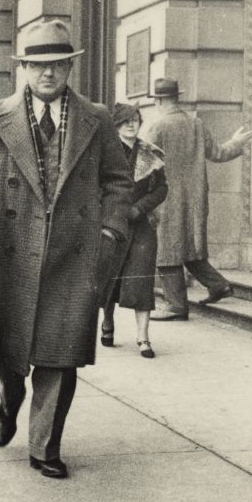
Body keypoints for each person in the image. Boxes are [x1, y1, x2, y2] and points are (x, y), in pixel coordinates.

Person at [0, 20, 133, 479]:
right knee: (10, 354)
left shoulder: (96, 119)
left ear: (69, 68)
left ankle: (44, 447)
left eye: (56, 65)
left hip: (73, 257)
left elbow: (119, 183)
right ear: (24, 69)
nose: (47, 75)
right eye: (38, 66)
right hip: (11, 255)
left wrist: (110, 233)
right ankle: (9, 398)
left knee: (61, 356)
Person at [146, 78, 252, 320]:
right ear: (177, 97)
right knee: (189, 248)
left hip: (165, 199)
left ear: (159, 100)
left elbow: (145, 166)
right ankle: (219, 286)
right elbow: (219, 153)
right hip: (195, 198)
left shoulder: (156, 126)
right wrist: (236, 143)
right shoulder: (196, 123)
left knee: (166, 251)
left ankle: (176, 306)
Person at [100, 103, 168, 358]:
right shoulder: (104, 153)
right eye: (125, 121)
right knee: (109, 277)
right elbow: (94, 187)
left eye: (135, 120)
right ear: (116, 124)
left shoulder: (151, 153)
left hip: (142, 226)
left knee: (142, 279)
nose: (131, 125)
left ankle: (143, 337)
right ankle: (107, 321)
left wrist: (140, 208)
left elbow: (162, 188)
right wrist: (112, 211)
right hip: (111, 225)